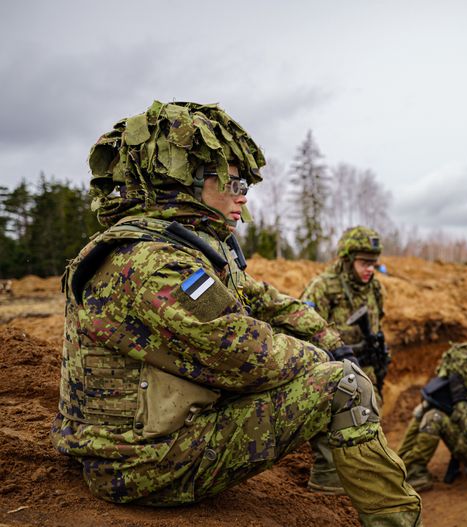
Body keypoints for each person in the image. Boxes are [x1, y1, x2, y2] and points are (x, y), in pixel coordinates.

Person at [50, 101, 421, 526]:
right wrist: (328, 361)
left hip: (138, 447)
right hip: (144, 466)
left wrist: (331, 340)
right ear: (184, 184)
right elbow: (251, 358)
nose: (242, 194)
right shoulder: (156, 263)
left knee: (333, 368)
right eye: (231, 181)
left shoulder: (170, 248)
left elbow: (259, 297)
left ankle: (333, 489)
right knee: (347, 388)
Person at [300, 225, 389, 494]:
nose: (369, 269)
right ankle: (327, 476)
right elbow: (305, 332)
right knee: (333, 423)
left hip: (367, 371)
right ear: (348, 260)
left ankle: (364, 473)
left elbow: (377, 323)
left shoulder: (374, 289)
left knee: (371, 421)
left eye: (373, 263)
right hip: (334, 371)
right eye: (364, 263)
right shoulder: (322, 288)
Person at [396, 342, 467, 491]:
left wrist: (459, 399)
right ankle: (397, 463)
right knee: (427, 409)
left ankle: (414, 473)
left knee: (435, 418)